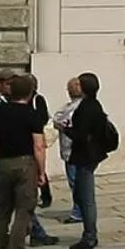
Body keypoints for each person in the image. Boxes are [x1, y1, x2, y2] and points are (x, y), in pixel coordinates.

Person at [0, 74, 46, 249]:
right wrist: (41, 172)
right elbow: (38, 146)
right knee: (23, 210)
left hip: (3, 162)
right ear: (29, 93)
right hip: (25, 162)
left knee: (0, 210)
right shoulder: (32, 115)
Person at [61, 73, 109, 249]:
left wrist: (65, 129)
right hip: (89, 154)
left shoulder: (87, 107)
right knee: (81, 193)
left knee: (86, 197)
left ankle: (90, 236)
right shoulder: (94, 105)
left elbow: (80, 134)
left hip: (85, 155)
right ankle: (88, 233)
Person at [53, 77, 83, 225]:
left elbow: (60, 120)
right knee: (77, 182)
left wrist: (59, 123)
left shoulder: (74, 108)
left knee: (76, 183)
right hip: (72, 150)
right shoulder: (71, 106)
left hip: (73, 150)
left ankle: (79, 212)